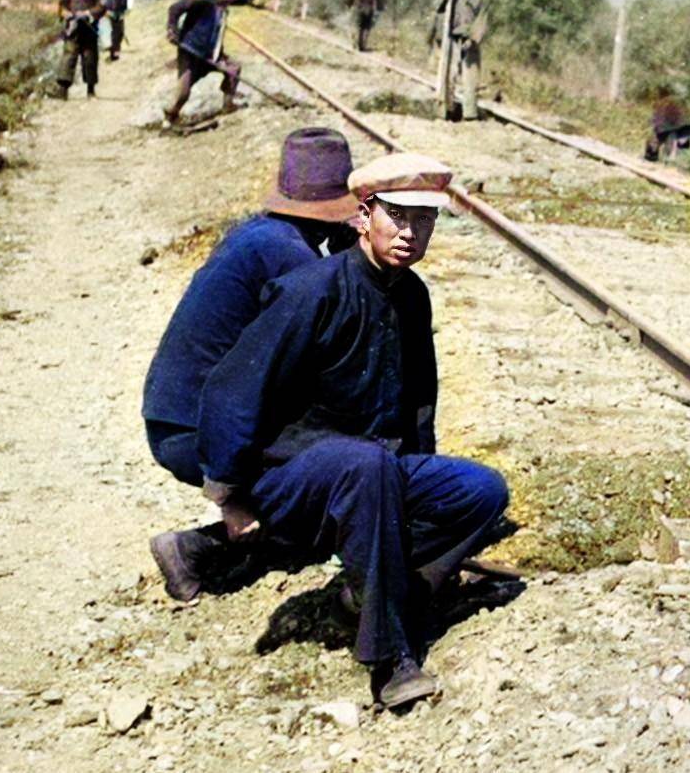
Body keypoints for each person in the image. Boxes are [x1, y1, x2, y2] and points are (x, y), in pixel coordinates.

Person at [184, 152, 511, 709]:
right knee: (367, 464)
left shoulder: (411, 294)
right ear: (363, 216)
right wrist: (229, 497)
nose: (410, 233)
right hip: (292, 478)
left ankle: (379, 594)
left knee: (483, 491)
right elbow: (230, 389)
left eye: (425, 221)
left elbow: (418, 405)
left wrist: (420, 480)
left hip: (375, 469)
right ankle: (391, 659)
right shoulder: (312, 290)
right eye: (398, 217)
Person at [145, 129, 362, 596]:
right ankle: (200, 547)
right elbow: (329, 347)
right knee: (334, 468)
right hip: (196, 430)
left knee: (319, 478)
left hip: (175, 415)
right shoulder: (289, 255)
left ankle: (193, 550)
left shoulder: (263, 235)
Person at [162, 0, 241, 126]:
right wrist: (172, 30)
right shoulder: (204, 0)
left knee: (234, 69)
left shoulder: (223, 9)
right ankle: (170, 117)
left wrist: (220, 56)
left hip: (208, 55)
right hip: (190, 52)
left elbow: (216, 36)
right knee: (183, 92)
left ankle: (228, 105)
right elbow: (175, 8)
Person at [440, 0, 489, 121]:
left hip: (470, 41)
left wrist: (472, 39)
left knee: (470, 78)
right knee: (449, 75)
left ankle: (469, 115)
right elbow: (440, 8)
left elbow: (481, 22)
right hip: (453, 38)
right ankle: (446, 109)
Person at [56, 0, 106, 98]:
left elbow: (102, 5)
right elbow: (63, 3)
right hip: (72, 27)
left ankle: (90, 89)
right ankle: (63, 90)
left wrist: (88, 13)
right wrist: (65, 13)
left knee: (89, 58)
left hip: (88, 28)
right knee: (68, 56)